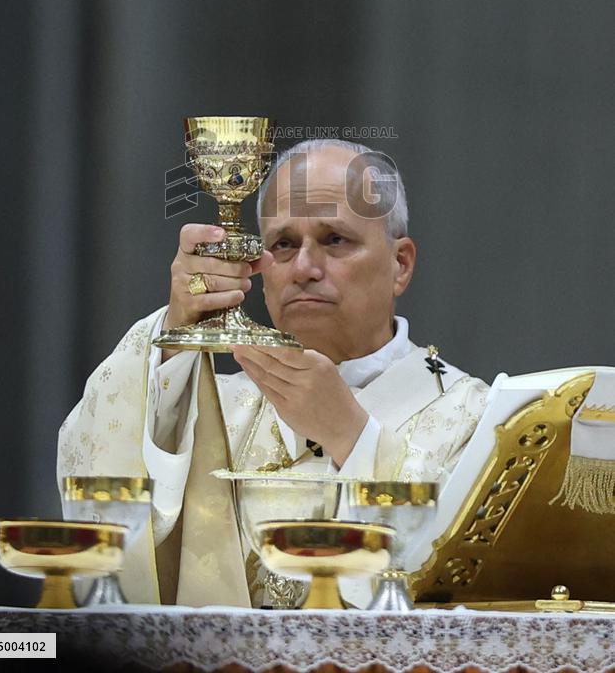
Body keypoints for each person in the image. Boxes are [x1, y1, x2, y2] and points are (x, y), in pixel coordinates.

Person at [57, 139, 489, 607]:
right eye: (282, 244)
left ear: (400, 265)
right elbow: (96, 484)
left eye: (334, 240)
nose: (303, 267)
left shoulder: (476, 416)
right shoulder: (211, 407)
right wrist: (176, 331)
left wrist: (351, 436)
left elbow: (477, 573)